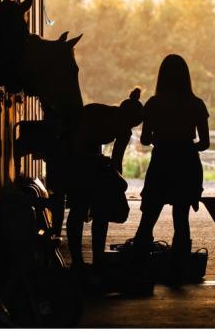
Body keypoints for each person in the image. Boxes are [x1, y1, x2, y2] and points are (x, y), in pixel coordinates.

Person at [46, 88, 143, 279]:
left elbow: (117, 162)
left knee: (102, 208)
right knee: (79, 205)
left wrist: (115, 187)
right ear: (120, 114)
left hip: (92, 155)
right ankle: (77, 262)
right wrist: (98, 162)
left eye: (130, 127)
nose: (126, 129)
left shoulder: (123, 129)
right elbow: (77, 146)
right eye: (126, 124)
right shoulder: (97, 115)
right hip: (70, 151)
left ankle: (98, 260)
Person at [132, 54, 210, 284]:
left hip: (162, 162)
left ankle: (138, 269)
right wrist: (185, 145)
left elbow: (145, 139)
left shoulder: (154, 104)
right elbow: (204, 143)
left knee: (148, 218)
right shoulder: (196, 104)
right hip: (187, 163)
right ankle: (180, 271)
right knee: (181, 219)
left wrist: (163, 140)